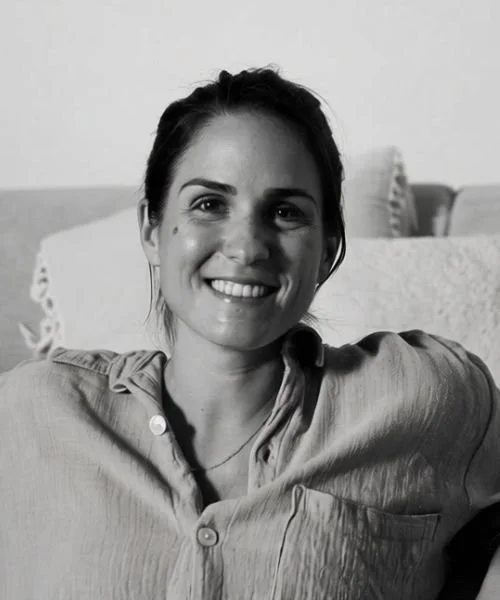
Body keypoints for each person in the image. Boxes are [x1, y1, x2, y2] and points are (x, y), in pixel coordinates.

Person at [0, 67, 499, 600]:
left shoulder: (421, 395)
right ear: (151, 228)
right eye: (209, 204)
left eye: (285, 212)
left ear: (327, 249)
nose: (246, 247)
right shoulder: (34, 410)